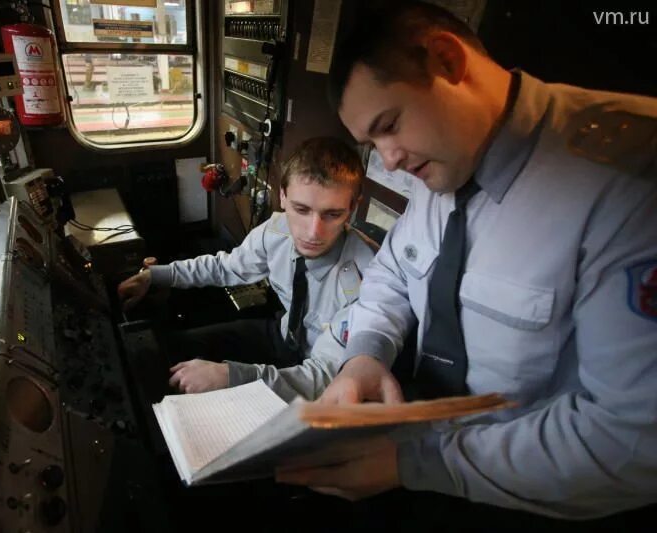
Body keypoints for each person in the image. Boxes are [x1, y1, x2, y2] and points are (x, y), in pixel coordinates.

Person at [276, 0, 657, 523]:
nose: (388, 160)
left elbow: (632, 439)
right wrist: (365, 355)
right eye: (371, 143)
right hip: (423, 444)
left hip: (538, 490)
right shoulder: (443, 160)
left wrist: (416, 464)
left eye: (389, 125)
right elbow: (392, 275)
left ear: (447, 61)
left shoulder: (629, 176)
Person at [117, 137, 377, 399]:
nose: (313, 231)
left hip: (318, 373)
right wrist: (156, 276)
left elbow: (323, 378)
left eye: (332, 214)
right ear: (283, 196)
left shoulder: (367, 280)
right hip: (284, 335)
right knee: (168, 348)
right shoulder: (276, 232)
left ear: (352, 208)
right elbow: (225, 267)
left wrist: (232, 376)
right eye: (302, 209)